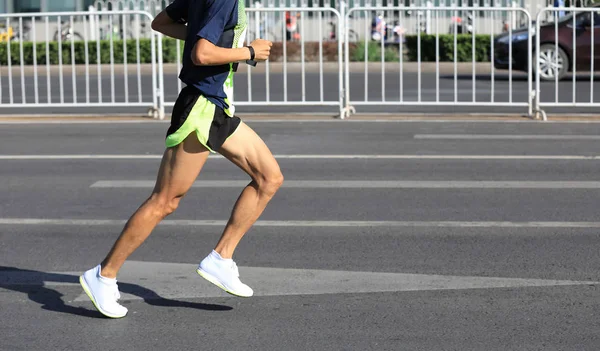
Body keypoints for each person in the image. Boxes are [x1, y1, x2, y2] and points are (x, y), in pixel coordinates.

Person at [78, 0, 284, 319]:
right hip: (201, 107)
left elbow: (161, 22)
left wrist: (211, 42)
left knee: (269, 178)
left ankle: (221, 259)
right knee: (164, 201)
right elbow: (201, 54)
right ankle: (103, 275)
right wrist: (250, 52)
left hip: (216, 107)